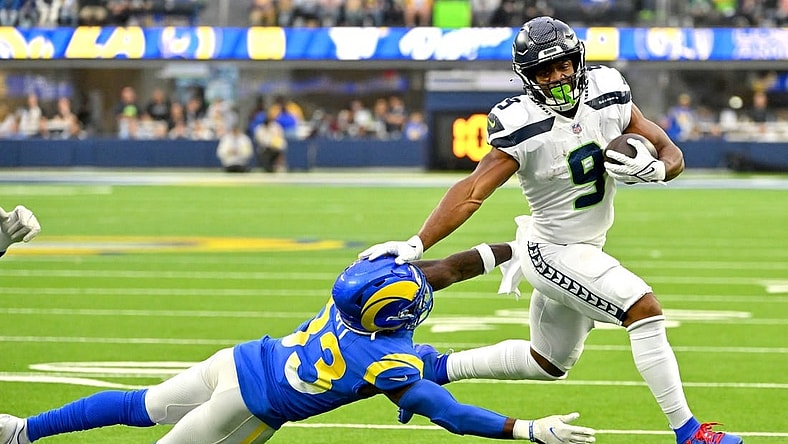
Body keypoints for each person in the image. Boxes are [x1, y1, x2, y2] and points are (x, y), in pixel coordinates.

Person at [359, 16, 742, 444]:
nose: (558, 76)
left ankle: (437, 368)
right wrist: (418, 241)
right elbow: (472, 190)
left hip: (586, 245)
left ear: (578, 60)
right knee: (643, 309)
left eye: (563, 64)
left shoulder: (606, 90)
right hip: (552, 250)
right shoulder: (521, 122)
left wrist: (657, 170)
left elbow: (670, 149)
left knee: (548, 362)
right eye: (545, 70)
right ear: (529, 78)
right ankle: (689, 433)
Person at [0, 245, 597, 444]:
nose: (426, 280)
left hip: (237, 361)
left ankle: (21, 432)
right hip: (250, 408)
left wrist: (513, 251)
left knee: (140, 405)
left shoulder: (352, 293)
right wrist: (526, 429)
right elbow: (449, 412)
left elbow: (441, 269)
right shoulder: (394, 359)